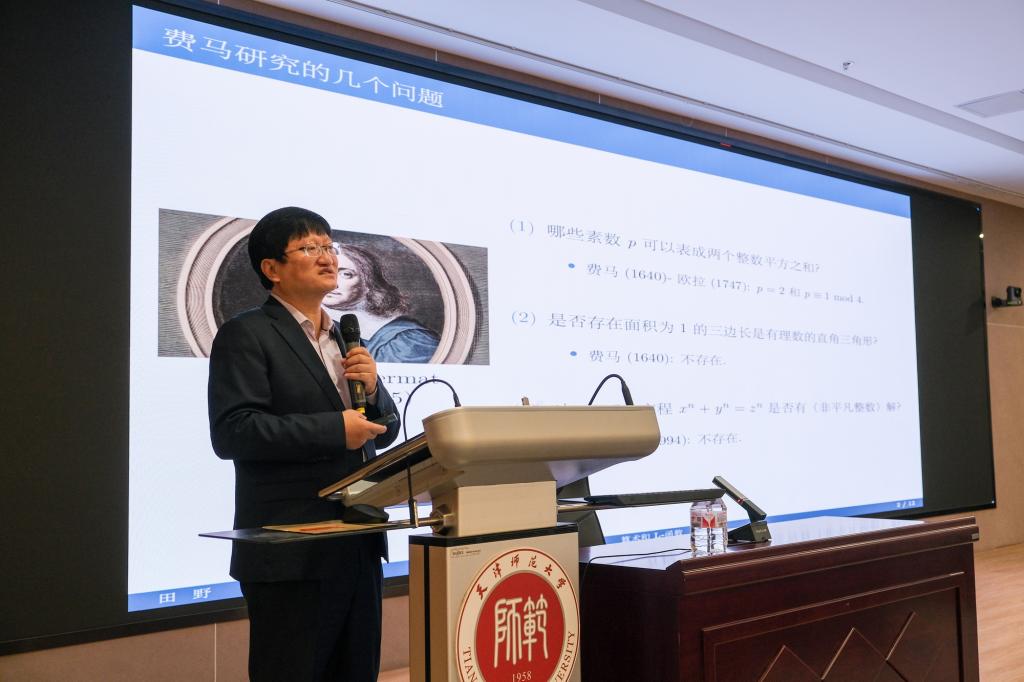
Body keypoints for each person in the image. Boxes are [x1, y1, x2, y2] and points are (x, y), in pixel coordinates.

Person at [208, 206, 401, 682]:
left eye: (329, 246)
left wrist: (373, 389)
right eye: (309, 247)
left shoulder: (344, 337)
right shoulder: (247, 333)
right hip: (291, 549)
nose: (327, 257)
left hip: (357, 542)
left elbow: (386, 428)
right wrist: (335, 429)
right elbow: (234, 431)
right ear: (271, 269)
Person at [323, 242, 441, 363]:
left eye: (346, 274)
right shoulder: (317, 327)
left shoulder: (404, 341)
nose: (333, 284)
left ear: (368, 282)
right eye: (327, 273)